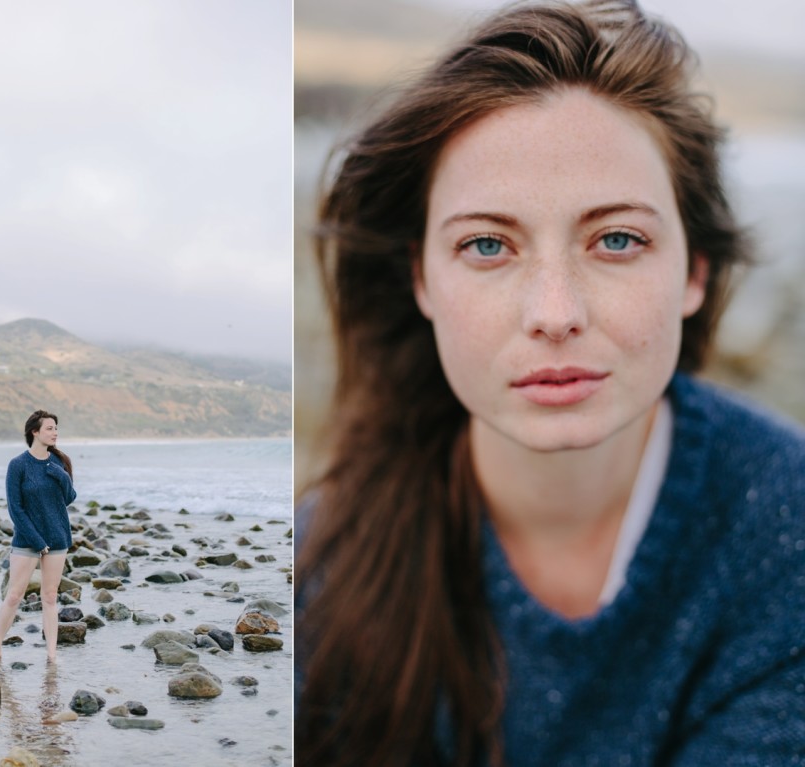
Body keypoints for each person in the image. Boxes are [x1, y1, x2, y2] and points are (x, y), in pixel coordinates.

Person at [294, 1, 805, 765]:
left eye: (618, 239)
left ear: (695, 269)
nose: (555, 314)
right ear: (421, 278)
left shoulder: (786, 530)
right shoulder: (328, 558)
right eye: (489, 244)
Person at [0, 409, 77, 663]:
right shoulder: (18, 465)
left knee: (50, 597)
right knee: (15, 595)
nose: (55, 433)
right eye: (50, 428)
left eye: (56, 428)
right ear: (35, 432)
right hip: (28, 540)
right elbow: (15, 508)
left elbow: (69, 499)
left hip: (58, 537)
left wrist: (62, 476)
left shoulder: (59, 462)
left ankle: (52, 654)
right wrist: (38, 542)